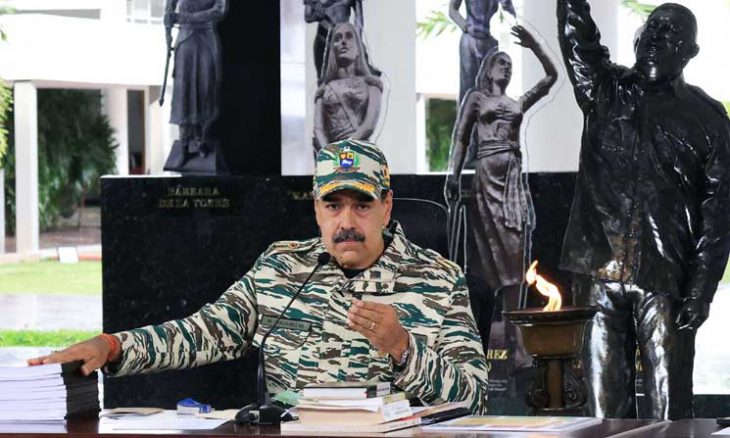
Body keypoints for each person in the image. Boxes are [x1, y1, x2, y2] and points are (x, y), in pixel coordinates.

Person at [29, 139, 490, 414]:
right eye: (333, 205)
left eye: (362, 205)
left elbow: (474, 399)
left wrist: (404, 348)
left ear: (386, 207)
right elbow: (202, 332)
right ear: (316, 209)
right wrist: (111, 347)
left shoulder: (439, 279)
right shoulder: (280, 269)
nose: (347, 221)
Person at [557, 0, 730, 420]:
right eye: (651, 28)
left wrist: (701, 291)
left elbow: (717, 216)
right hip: (598, 272)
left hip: (665, 278)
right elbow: (577, 34)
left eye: (670, 32)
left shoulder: (708, 119)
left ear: (690, 51)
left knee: (669, 412)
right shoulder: (604, 90)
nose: (655, 37)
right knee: (603, 414)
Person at [445, 25, 557, 328]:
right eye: (501, 63)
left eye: (509, 64)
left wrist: (535, 45)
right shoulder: (477, 99)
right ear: (489, 69)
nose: (506, 67)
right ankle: (482, 327)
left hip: (511, 182)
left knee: (515, 248)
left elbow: (551, 78)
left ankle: (514, 330)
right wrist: (454, 174)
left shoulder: (517, 102)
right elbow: (461, 138)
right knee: (484, 256)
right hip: (485, 180)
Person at [164, 0, 226, 158]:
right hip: (185, 39)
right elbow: (169, 9)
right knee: (183, 91)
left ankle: (201, 138)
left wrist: (188, 17)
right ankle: (184, 141)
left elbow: (220, 10)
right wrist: (167, 31)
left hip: (206, 39)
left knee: (206, 89)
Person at [312, 22, 383, 153]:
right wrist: (329, 153)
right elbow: (318, 129)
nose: (343, 41)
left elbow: (368, 125)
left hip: (359, 153)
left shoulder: (372, 85)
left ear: (358, 49)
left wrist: (341, 150)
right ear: (333, 50)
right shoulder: (324, 90)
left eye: (349, 37)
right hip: (332, 156)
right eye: (338, 38)